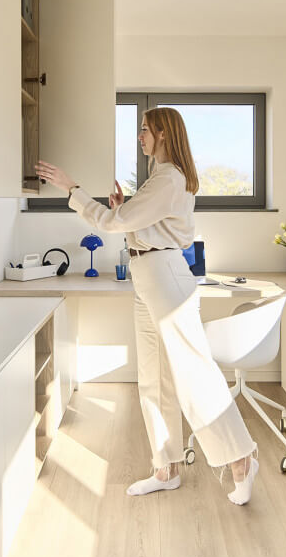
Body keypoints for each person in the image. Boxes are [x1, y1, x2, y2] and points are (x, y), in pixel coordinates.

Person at [34, 107, 259, 505]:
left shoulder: (169, 178)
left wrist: (74, 189)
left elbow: (110, 222)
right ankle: (165, 467)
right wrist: (126, 210)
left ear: (163, 135)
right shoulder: (162, 179)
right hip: (148, 275)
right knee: (153, 376)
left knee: (192, 373)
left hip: (163, 275)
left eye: (145, 130)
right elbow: (132, 221)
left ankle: (242, 457)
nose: (140, 137)